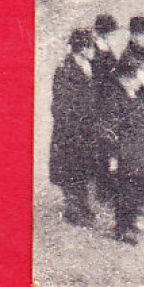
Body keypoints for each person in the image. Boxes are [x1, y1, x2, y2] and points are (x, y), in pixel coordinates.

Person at [96, 54, 144, 245]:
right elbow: (108, 131)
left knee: (135, 190)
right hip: (125, 155)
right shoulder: (114, 99)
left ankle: (131, 222)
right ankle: (121, 228)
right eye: (137, 78)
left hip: (138, 151)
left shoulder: (132, 94)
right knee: (126, 192)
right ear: (126, 79)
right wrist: (112, 157)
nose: (139, 82)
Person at [49, 29, 99, 226]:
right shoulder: (65, 71)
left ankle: (82, 205)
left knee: (82, 167)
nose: (94, 50)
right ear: (83, 49)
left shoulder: (86, 65)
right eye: (91, 47)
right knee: (71, 168)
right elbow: (61, 106)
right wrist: (75, 128)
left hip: (86, 128)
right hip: (71, 131)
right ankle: (74, 209)